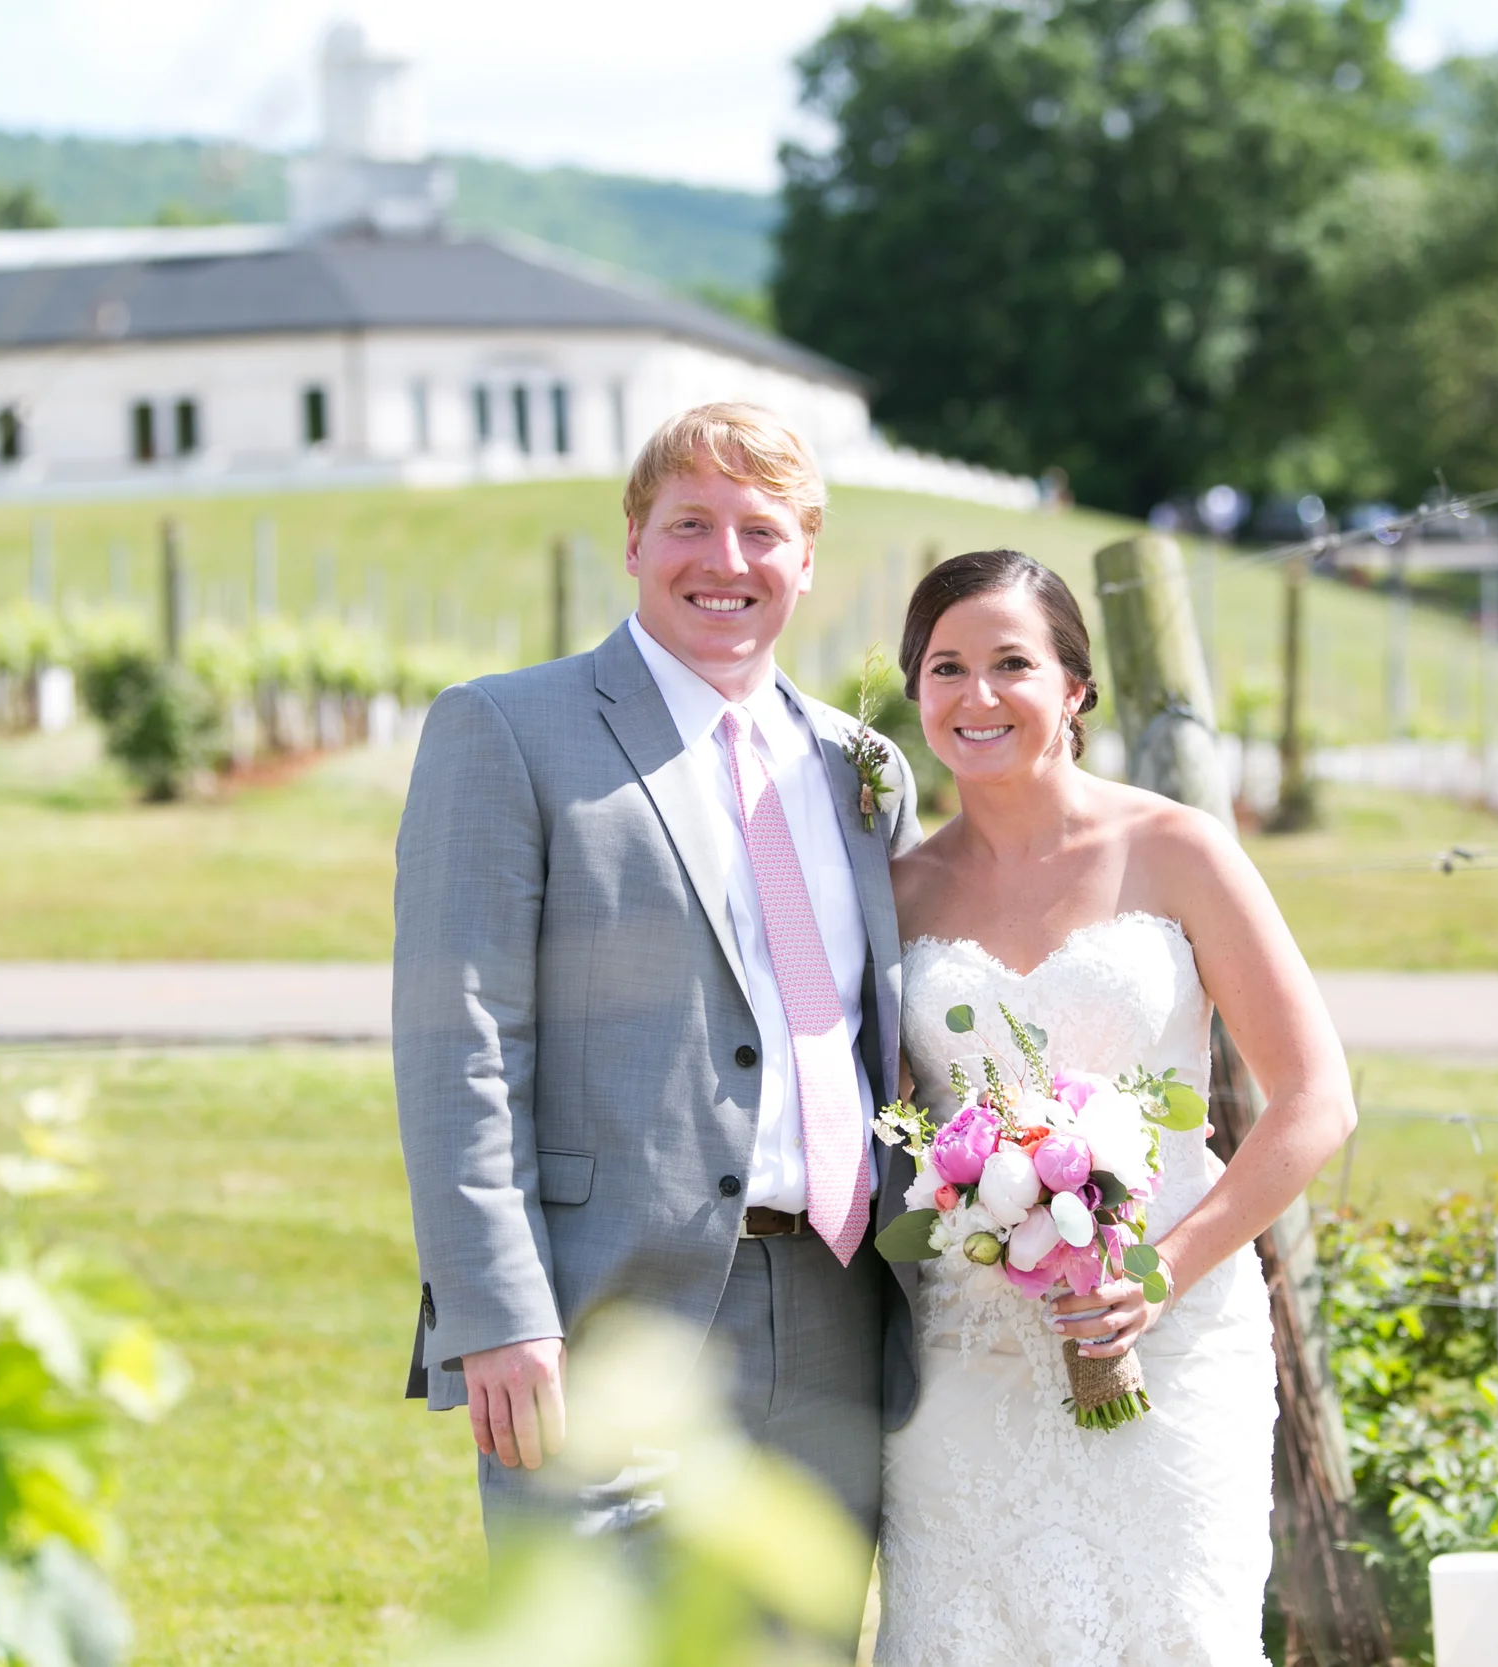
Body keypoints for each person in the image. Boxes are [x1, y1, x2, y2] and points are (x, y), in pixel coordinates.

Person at [391, 402, 923, 1642]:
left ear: (806, 557)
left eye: (761, 531)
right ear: (632, 540)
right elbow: (455, 1037)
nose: (724, 562)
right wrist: (498, 1309)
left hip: (837, 1310)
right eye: (690, 524)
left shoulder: (862, 769)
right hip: (600, 1310)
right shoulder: (506, 730)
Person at [871, 549, 1357, 1666]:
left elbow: (1313, 1098)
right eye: (946, 667)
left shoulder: (1177, 849)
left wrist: (1156, 1273)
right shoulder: (895, 892)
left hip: (1172, 1344)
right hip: (968, 1355)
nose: (976, 694)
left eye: (1011, 663)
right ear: (916, 690)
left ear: (1076, 688)